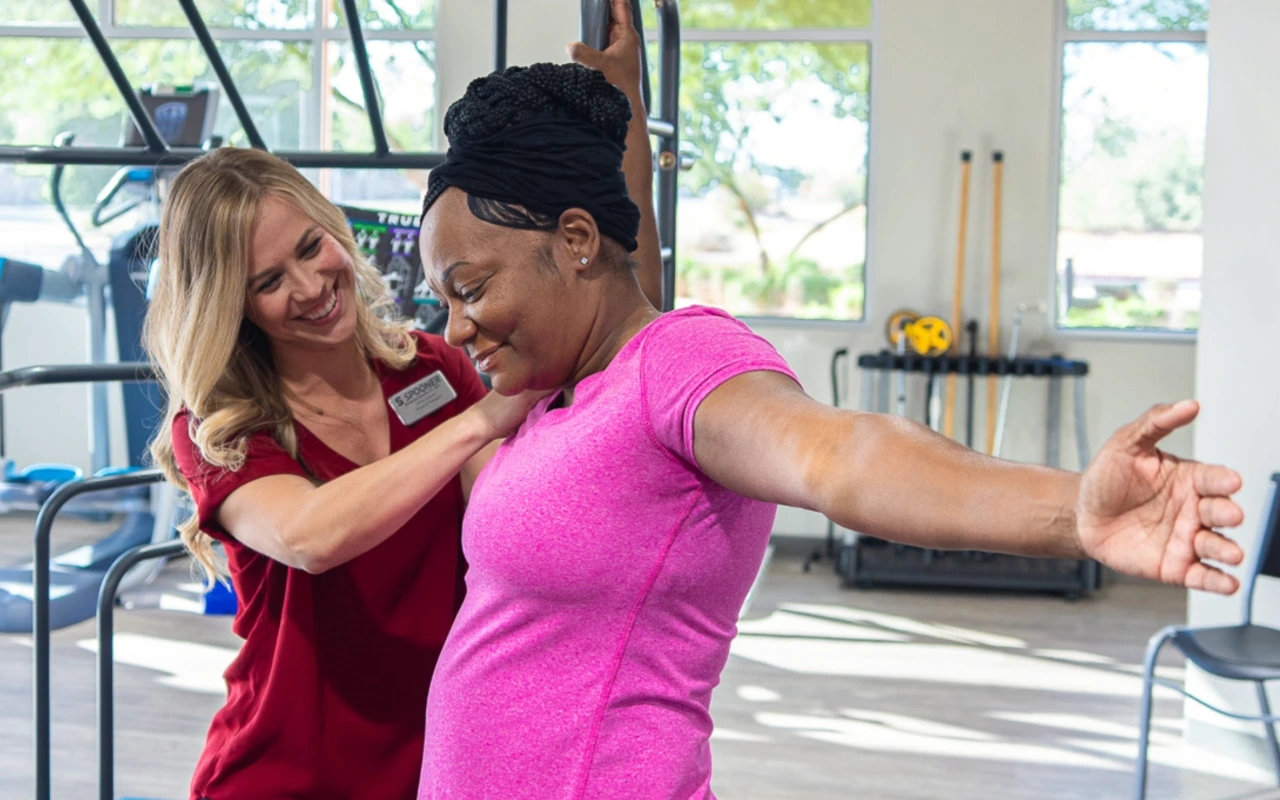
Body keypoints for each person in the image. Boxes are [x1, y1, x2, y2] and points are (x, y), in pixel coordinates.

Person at [414, 32, 1247, 800]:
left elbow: (842, 457)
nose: (454, 328)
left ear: (574, 241)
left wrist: (1074, 513)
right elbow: (621, 269)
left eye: (471, 289)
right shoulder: (571, 386)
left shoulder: (676, 363)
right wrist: (624, 105)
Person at [143, 12, 661, 798]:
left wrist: (627, 129)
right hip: (285, 778)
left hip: (438, 767)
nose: (311, 287)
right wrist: (483, 419)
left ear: (334, 229)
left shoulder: (431, 368)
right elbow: (312, 536)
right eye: (269, 281)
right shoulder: (222, 429)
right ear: (233, 304)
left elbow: (611, 329)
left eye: (311, 247)